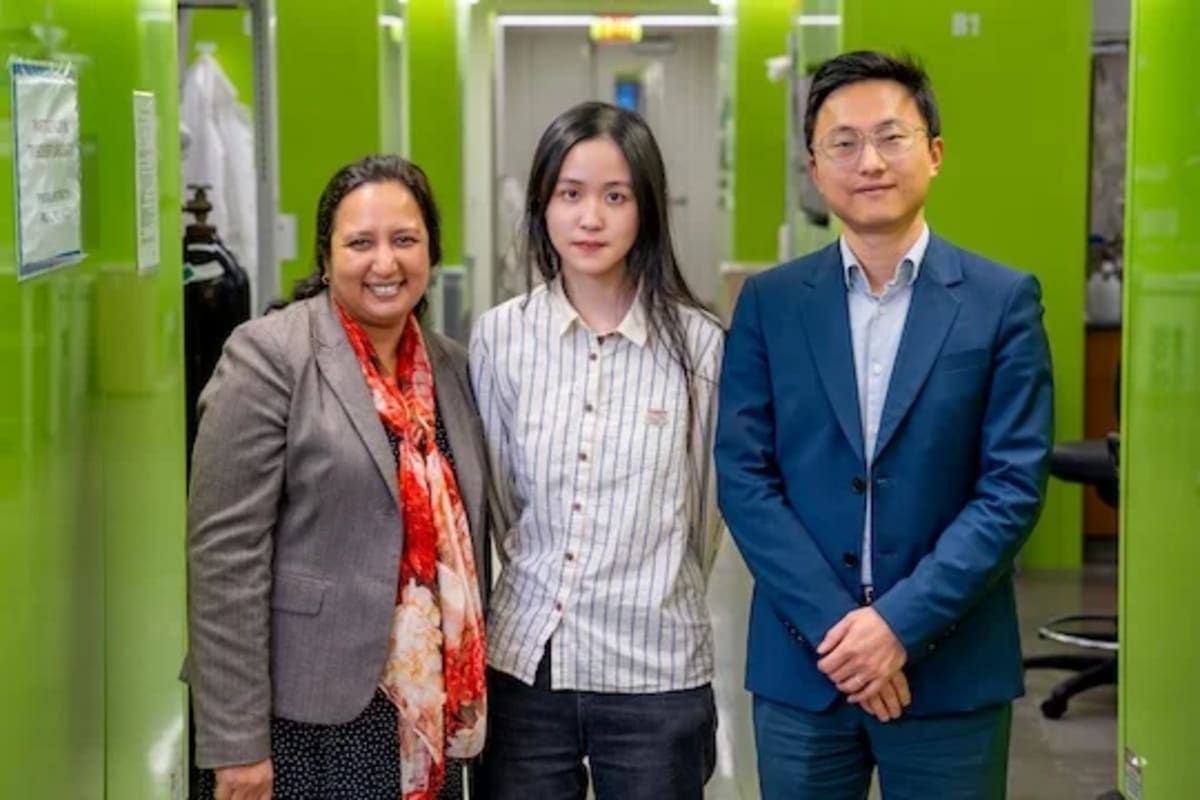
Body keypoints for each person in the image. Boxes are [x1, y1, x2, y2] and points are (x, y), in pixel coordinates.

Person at [715, 51, 1054, 799]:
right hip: (806, 666)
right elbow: (744, 478)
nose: (868, 162)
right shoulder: (771, 304)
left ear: (934, 153)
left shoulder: (1001, 302)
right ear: (814, 168)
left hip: (951, 668)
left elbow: (1011, 489)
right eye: (843, 143)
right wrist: (844, 634)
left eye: (891, 137)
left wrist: (897, 626)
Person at [185, 155, 491, 800]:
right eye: (360, 243)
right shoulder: (269, 356)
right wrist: (236, 745)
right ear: (326, 258)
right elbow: (224, 559)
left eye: (404, 240)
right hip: (302, 717)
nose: (385, 262)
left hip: (426, 710)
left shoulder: (452, 369)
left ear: (430, 253)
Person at [469, 101, 724, 800]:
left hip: (656, 671)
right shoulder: (501, 338)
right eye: (570, 194)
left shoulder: (700, 347)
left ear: (647, 210)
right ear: (542, 205)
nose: (590, 218)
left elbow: (705, 514)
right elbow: (500, 503)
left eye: (615, 197)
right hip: (527, 669)